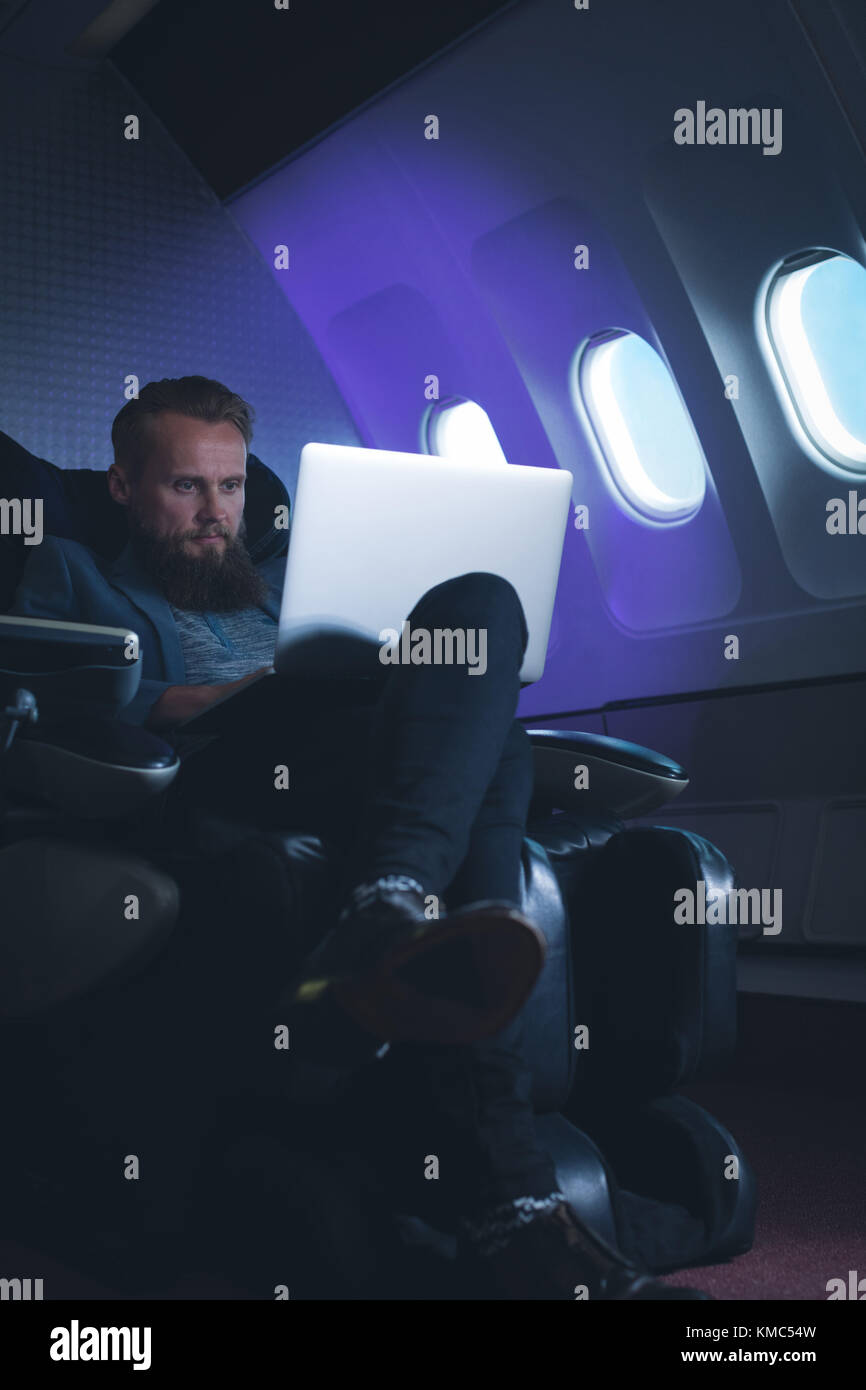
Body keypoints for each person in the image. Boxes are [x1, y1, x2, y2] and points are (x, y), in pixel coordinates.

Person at [9, 375, 709, 1301]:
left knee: (483, 605)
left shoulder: (282, 589)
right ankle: (524, 1218)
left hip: (343, 753)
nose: (216, 513)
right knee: (486, 739)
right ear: (124, 487)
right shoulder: (72, 569)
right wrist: (257, 684)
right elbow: (88, 700)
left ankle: (391, 905)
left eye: (230, 487)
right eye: (186, 487)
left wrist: (347, 665)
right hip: (211, 764)